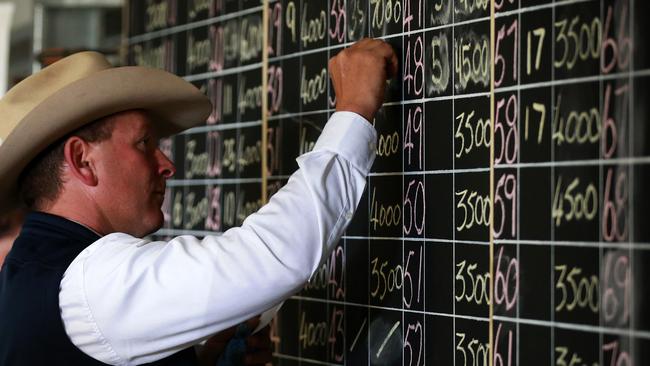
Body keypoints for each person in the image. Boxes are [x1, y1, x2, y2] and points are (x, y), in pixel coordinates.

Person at [0, 38, 398, 365]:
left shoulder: (33, 270)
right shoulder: (92, 282)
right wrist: (353, 111)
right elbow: (275, 256)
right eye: (144, 143)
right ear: (82, 160)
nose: (166, 164)